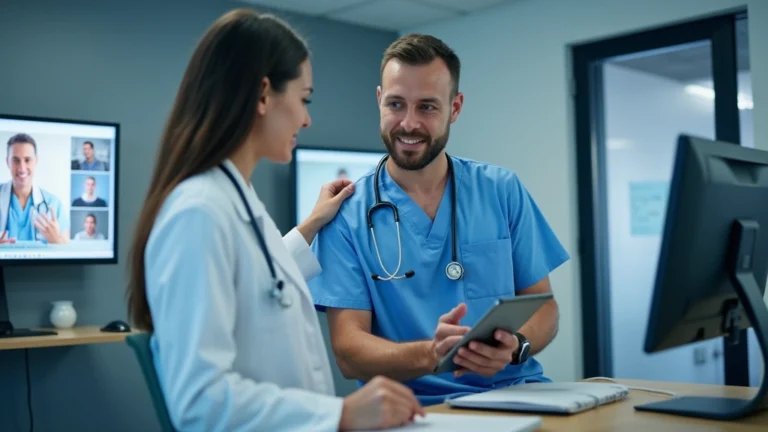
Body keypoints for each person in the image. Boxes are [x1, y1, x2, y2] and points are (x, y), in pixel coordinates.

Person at [125, 9, 424, 431]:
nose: (306, 119)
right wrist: (340, 414)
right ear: (263, 95)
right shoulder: (198, 212)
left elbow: (259, 280)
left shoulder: (237, 200)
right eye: (304, 99)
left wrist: (311, 226)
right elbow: (200, 403)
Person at [308, 34, 571, 406]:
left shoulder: (501, 190)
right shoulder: (346, 214)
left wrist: (517, 347)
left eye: (427, 107)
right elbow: (348, 351)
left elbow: (545, 306)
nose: (409, 124)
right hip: (416, 410)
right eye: (396, 104)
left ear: (455, 107)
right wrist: (433, 354)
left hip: (521, 395)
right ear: (379, 100)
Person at [0, 133, 69, 244]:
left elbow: (68, 250)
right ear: (7, 162)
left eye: (27, 160)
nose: (22, 168)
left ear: (36, 161)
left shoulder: (53, 204)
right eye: (15, 160)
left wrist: (56, 240)